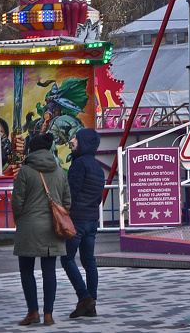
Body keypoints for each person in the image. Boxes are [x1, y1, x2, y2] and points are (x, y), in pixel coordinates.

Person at [13, 132, 72, 326]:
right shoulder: (59, 171)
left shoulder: (25, 171)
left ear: (31, 150)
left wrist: (20, 220)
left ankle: (32, 312)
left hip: (29, 227)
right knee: (49, 270)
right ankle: (48, 315)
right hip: (54, 228)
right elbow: (67, 202)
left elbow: (17, 202)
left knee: (27, 270)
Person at [62, 127, 103, 319]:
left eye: (75, 139)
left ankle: (84, 297)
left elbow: (71, 192)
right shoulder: (97, 167)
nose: (72, 141)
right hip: (91, 220)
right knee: (89, 261)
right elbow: (98, 198)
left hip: (76, 219)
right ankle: (91, 304)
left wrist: (65, 212)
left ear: (83, 142)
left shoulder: (79, 165)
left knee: (67, 258)